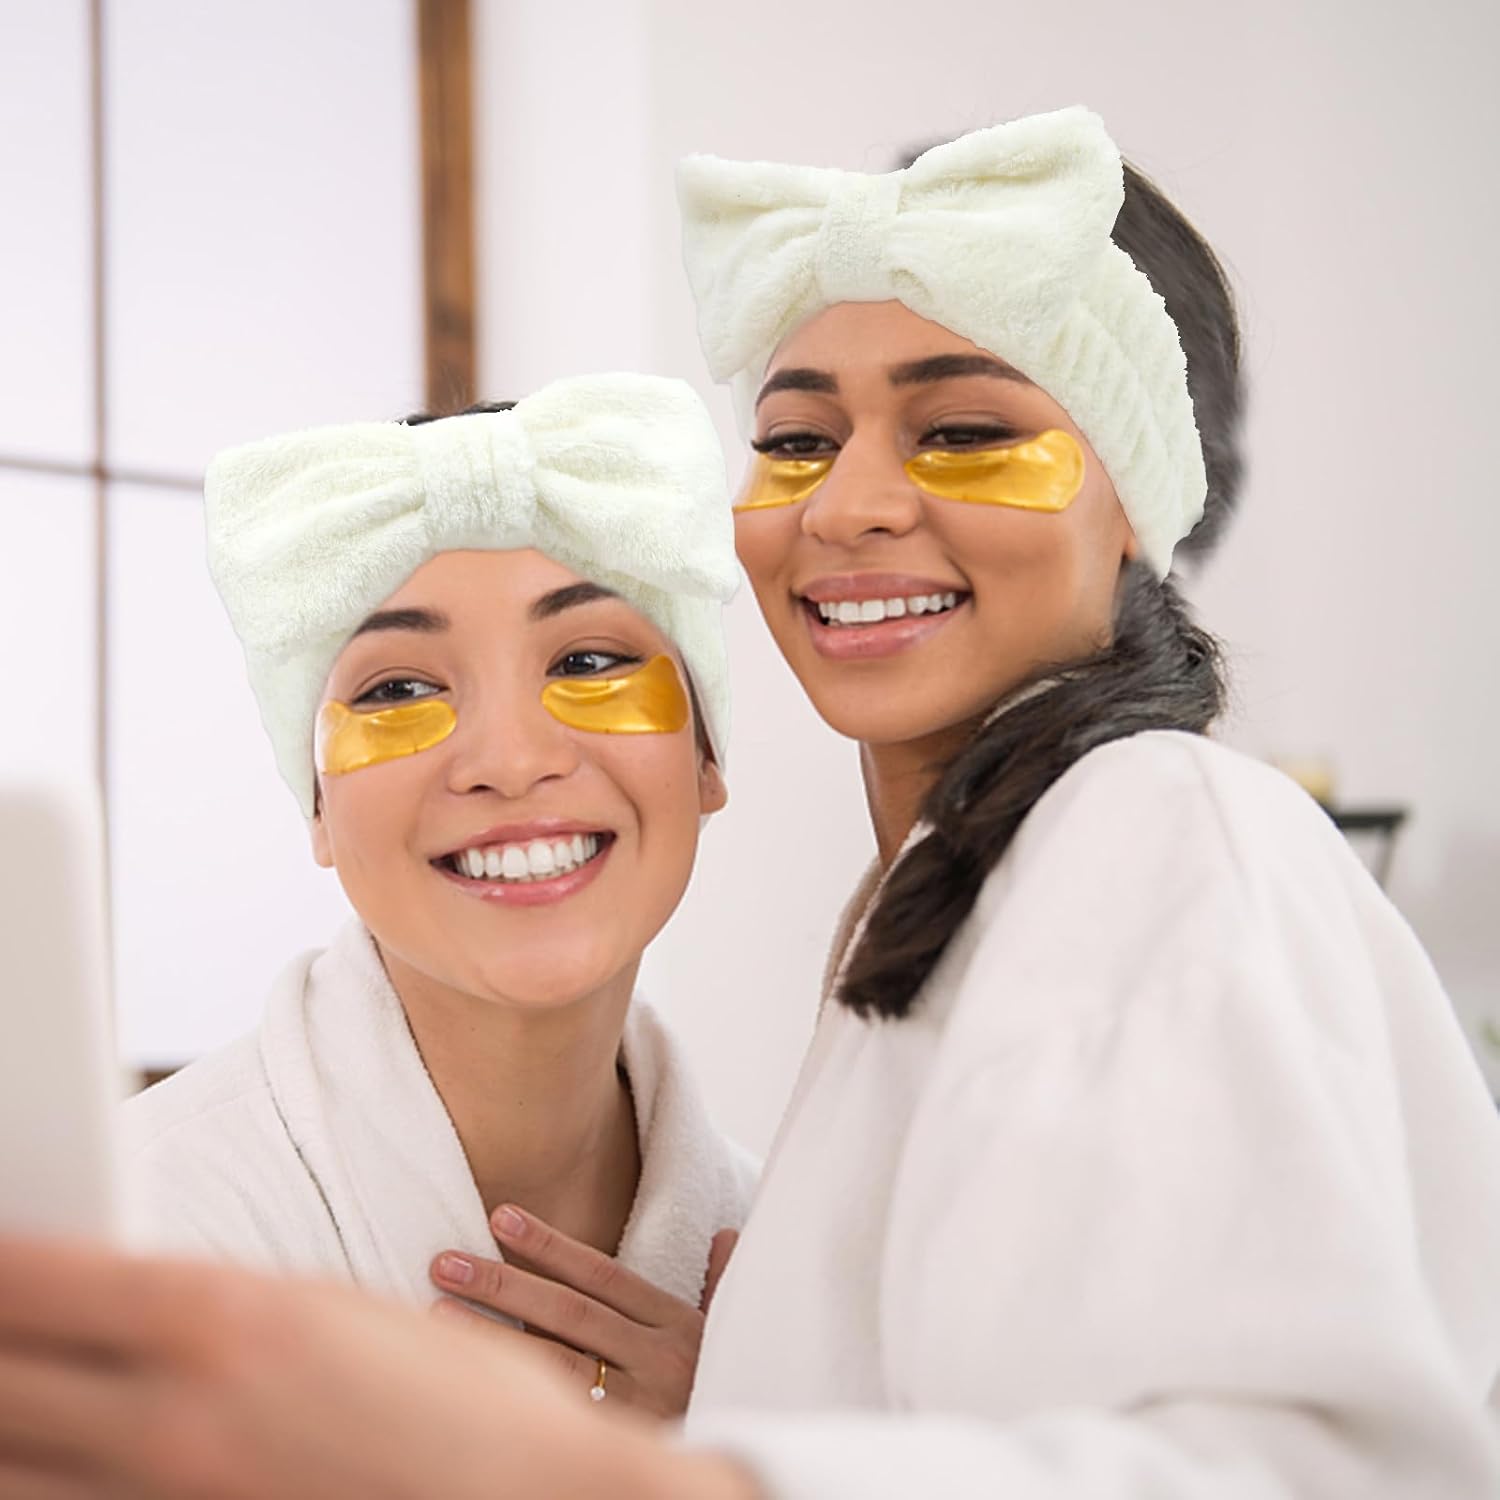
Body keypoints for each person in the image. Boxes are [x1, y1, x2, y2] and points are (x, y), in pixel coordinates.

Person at [1, 106, 1496, 1499]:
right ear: (312, 802)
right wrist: (750, 1411)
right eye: (794, 441)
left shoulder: (1153, 830)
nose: (849, 503)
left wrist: (614, 1472)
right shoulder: (900, 993)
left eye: (966, 431)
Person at [120, 372, 755, 1412]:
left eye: (589, 661)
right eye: (400, 689)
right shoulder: (128, 1235)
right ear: (319, 811)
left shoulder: (781, 1257)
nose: (510, 760)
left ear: (706, 761)